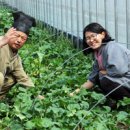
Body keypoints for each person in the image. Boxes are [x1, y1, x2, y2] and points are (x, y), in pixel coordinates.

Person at [70, 22, 130, 107]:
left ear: (103, 34)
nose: (91, 40)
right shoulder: (98, 54)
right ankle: (118, 102)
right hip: (123, 82)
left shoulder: (112, 47)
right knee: (100, 78)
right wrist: (75, 92)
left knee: (105, 80)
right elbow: (92, 79)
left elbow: (119, 70)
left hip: (127, 81)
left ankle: (125, 103)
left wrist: (104, 72)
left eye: (93, 36)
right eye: (87, 38)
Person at [0, 11, 36, 99]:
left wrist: (36, 95)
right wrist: (2, 42)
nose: (19, 40)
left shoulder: (16, 57)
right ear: (10, 33)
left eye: (23, 38)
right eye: (16, 36)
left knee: (12, 79)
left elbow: (23, 78)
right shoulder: (1, 41)